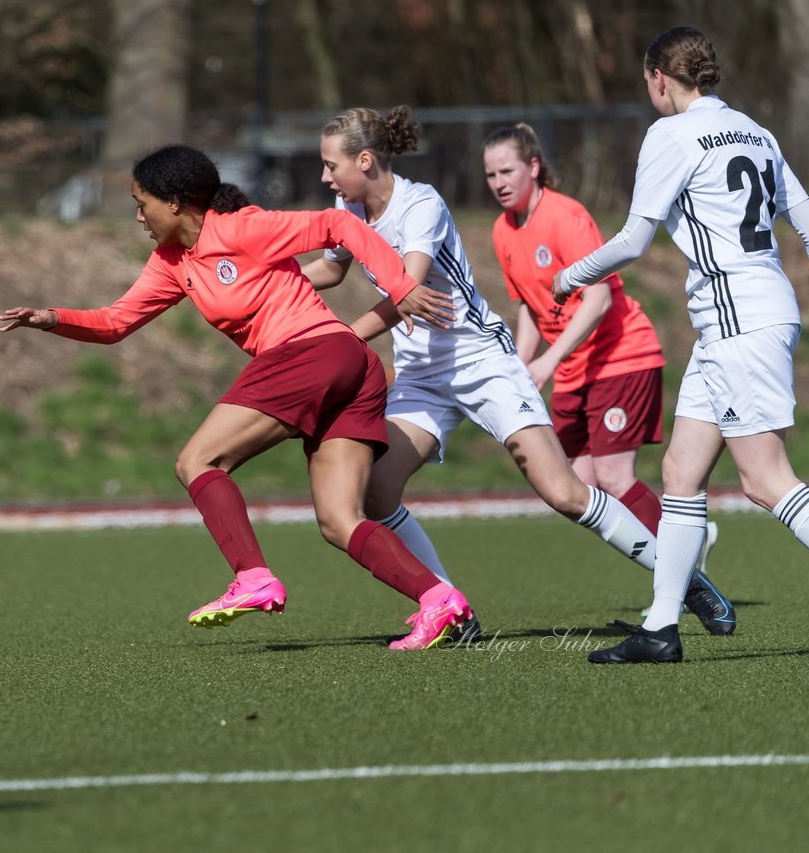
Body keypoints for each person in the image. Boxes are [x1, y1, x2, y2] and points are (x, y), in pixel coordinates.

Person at [0, 144, 473, 651]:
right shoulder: (171, 262)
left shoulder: (242, 227)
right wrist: (55, 319)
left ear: (176, 202)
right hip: (348, 364)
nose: (138, 215)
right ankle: (438, 601)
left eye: (143, 203)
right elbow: (116, 322)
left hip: (311, 354)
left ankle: (252, 577)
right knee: (340, 521)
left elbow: (342, 229)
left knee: (197, 461)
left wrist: (400, 287)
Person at [300, 105, 736, 639]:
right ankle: (450, 610)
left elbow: (407, 290)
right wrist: (265, 278)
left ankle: (683, 579)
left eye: (330, 165)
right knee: (377, 493)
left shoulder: (421, 204)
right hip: (421, 375)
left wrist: (341, 338)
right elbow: (329, 267)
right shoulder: (345, 211)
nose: (324, 177)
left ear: (364, 160)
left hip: (481, 361)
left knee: (566, 493)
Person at [553, 27, 809, 663]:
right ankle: (661, 628)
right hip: (745, 317)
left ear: (659, 77)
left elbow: (632, 240)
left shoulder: (672, 134)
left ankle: (661, 624)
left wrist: (570, 276)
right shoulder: (754, 131)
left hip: (739, 319)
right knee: (681, 474)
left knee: (767, 482)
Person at [483, 123, 731, 633]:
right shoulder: (503, 231)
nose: (498, 182)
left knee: (615, 478)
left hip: (623, 357)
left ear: (533, 167)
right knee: (576, 487)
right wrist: (519, 366)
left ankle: (679, 577)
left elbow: (598, 300)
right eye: (489, 174)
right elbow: (530, 307)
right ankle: (685, 546)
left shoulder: (566, 215)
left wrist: (547, 363)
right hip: (575, 371)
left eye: (507, 170)